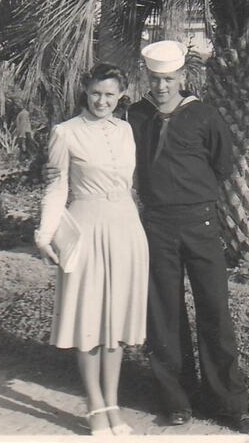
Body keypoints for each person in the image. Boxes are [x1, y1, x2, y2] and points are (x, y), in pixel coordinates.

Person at [128, 40, 249, 434]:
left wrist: (195, 196)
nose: (161, 87)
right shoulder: (136, 115)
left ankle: (228, 402)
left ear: (181, 77)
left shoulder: (202, 114)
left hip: (200, 222)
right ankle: (176, 399)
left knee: (214, 309)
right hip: (155, 225)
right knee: (164, 314)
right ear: (146, 78)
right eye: (154, 79)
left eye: (168, 79)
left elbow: (221, 162)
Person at [35, 64, 149, 436]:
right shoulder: (65, 133)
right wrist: (44, 234)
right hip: (85, 227)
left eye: (110, 95)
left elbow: (132, 184)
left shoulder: (127, 130)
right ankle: (94, 405)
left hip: (126, 228)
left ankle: (113, 403)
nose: (103, 101)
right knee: (88, 319)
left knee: (115, 323)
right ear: (86, 91)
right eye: (97, 93)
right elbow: (56, 188)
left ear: (121, 96)